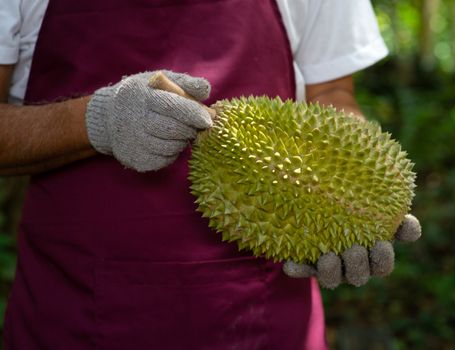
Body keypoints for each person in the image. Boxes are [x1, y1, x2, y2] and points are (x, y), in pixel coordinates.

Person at [0, 0, 421, 349]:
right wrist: (94, 120)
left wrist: (347, 200)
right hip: (73, 314)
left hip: (268, 317)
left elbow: (333, 94)